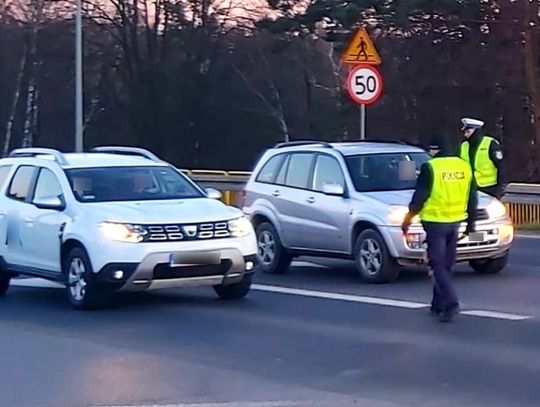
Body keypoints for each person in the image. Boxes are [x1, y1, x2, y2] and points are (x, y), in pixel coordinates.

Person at [402, 135, 477, 323]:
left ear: (435, 149)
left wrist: (407, 220)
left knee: (437, 265)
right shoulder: (464, 166)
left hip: (435, 223)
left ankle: (451, 303)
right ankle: (437, 303)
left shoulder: (431, 167)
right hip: (456, 221)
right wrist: (471, 223)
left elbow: (419, 198)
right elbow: (472, 197)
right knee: (446, 264)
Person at [459, 118, 505, 199]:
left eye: (468, 131)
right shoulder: (464, 146)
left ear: (476, 131)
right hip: (470, 187)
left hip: (489, 188)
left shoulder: (490, 143)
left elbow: (501, 167)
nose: (465, 134)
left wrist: (500, 187)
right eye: (465, 131)